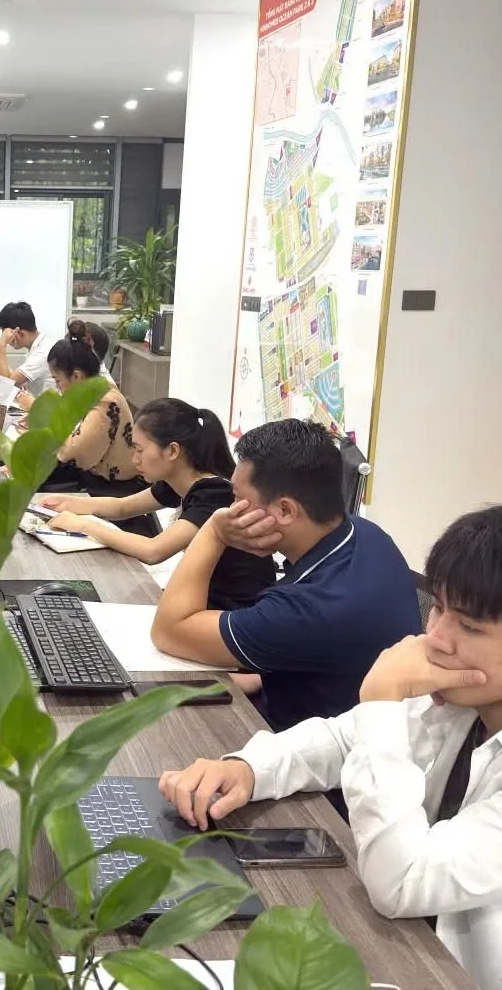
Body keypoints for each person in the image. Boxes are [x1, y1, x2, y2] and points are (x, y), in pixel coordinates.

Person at [158, 506, 502, 990]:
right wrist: (249, 767)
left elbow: (402, 882)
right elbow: (344, 738)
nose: (436, 637)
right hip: (411, 949)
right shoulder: (464, 700)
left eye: (469, 627)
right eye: (439, 608)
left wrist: (382, 699)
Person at [150, 418, 420, 731]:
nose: (229, 510)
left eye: (237, 499)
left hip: (299, 748)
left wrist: (214, 532)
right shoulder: (368, 534)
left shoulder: (308, 609)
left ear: (286, 511)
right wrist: (263, 670)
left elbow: (167, 631)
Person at [40, 398, 275, 609]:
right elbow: (122, 507)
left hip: (230, 610)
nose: (135, 459)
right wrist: (66, 502)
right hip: (203, 597)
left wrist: (82, 526)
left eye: (139, 450)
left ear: (172, 451)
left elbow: (153, 551)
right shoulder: (177, 481)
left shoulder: (214, 493)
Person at [34, 323, 143, 498]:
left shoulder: (105, 401)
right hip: (97, 476)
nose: (57, 387)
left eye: (58, 381)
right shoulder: (92, 391)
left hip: (115, 487)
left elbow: (74, 453)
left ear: (77, 376)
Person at [0, 301, 52, 401]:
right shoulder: (37, 345)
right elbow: (19, 381)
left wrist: (1, 345)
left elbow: (5, 387)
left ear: (19, 333)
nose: (7, 339)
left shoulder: (42, 353)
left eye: (5, 335)